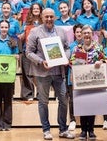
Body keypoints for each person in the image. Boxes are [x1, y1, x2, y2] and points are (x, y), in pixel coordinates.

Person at [26, 8, 74, 140]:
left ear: (55, 17)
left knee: (64, 100)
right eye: (46, 17)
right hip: (43, 73)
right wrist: (41, 61)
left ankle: (63, 129)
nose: (49, 19)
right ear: (42, 17)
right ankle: (46, 130)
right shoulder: (35, 32)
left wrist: (66, 58)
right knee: (43, 102)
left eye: (51, 17)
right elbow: (28, 52)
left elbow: (67, 48)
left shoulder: (61, 31)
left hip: (59, 72)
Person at [70, 24, 106, 140]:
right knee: (82, 105)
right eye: (84, 33)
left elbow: (105, 60)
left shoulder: (98, 47)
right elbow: (71, 63)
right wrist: (77, 64)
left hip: (94, 81)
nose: (86, 35)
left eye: (88, 33)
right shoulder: (77, 48)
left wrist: (101, 62)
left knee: (92, 106)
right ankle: (83, 130)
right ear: (81, 35)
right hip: (81, 81)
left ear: (92, 34)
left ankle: (91, 130)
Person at [0, 20, 19, 131]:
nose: (4, 29)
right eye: (2, 27)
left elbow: (16, 55)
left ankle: (7, 124)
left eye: (6, 27)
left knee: (8, 100)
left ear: (9, 28)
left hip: (9, 75)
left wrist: (16, 57)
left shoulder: (12, 41)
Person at [20, 3, 43, 101]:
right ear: (31, 10)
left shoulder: (44, 22)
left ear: (41, 10)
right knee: (27, 73)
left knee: (40, 74)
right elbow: (21, 36)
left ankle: (40, 94)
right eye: (34, 8)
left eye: (38, 8)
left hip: (40, 52)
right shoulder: (26, 23)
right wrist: (22, 34)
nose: (36, 10)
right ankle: (28, 94)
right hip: (28, 50)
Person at [67, 24, 83, 131]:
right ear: (74, 33)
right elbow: (67, 60)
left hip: (84, 77)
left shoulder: (88, 45)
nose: (79, 34)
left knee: (83, 99)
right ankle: (72, 120)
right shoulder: (70, 46)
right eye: (77, 32)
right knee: (72, 99)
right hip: (72, 76)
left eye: (81, 32)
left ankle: (83, 120)